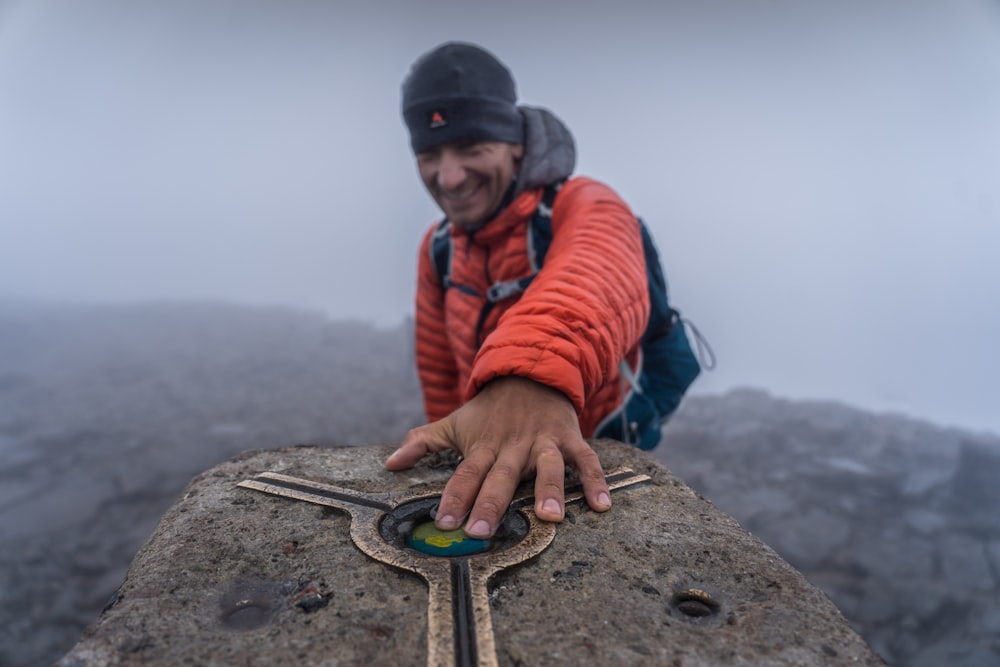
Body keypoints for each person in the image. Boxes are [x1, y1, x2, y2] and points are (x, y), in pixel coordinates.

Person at [385, 42, 650, 540]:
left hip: (589, 456)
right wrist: (462, 448)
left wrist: (529, 380)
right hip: (496, 458)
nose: (449, 175)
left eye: (471, 148)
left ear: (515, 144)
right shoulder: (439, 246)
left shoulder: (582, 202)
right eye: (430, 154)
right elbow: (442, 376)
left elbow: (601, 267)